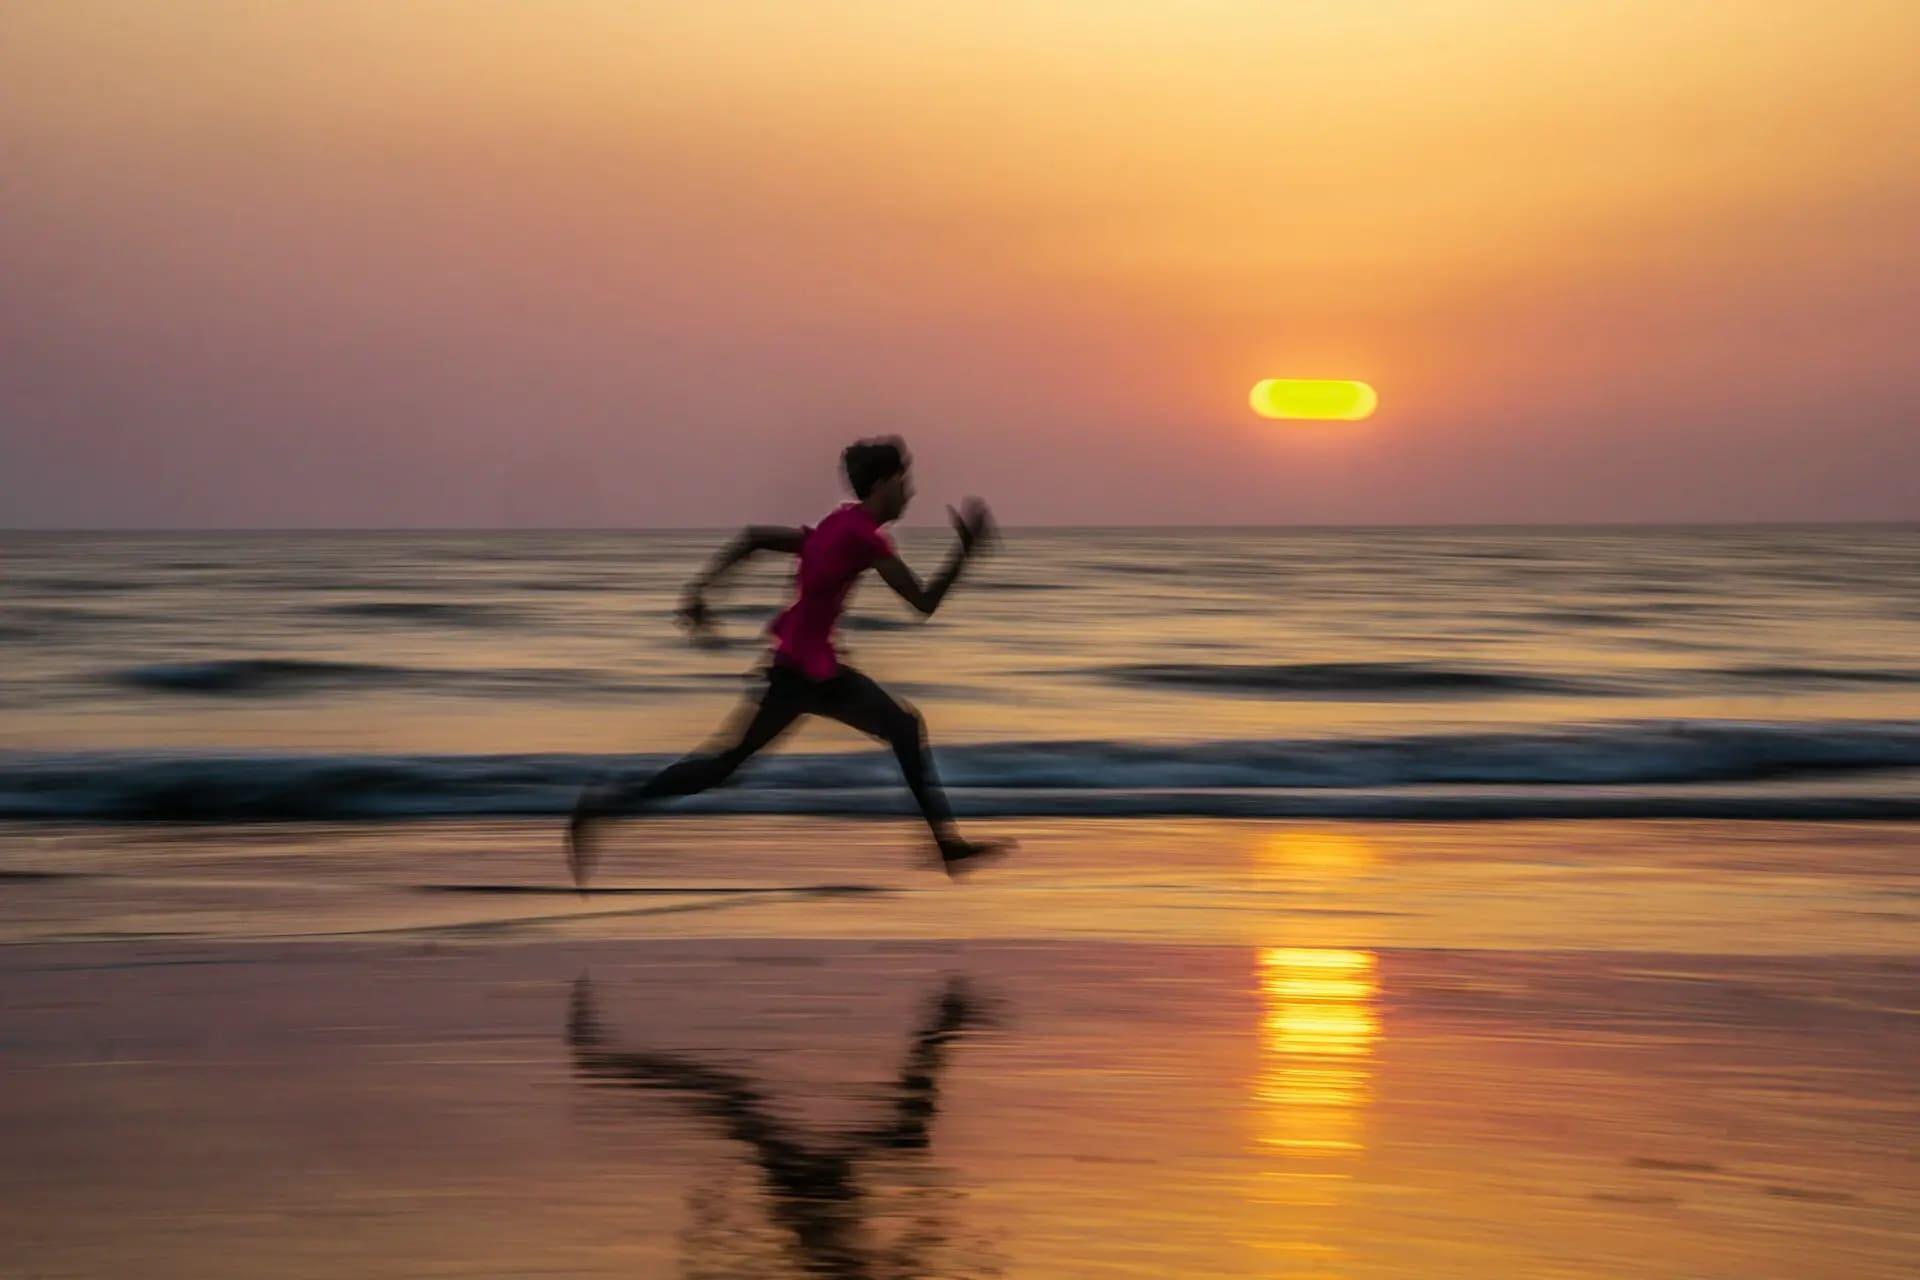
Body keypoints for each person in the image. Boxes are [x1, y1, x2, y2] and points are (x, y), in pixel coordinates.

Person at [567, 436, 1010, 886]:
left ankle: (605, 807)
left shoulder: (840, 525)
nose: (910, 492)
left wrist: (701, 590)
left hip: (806, 668)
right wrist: (964, 553)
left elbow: (754, 539)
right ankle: (603, 808)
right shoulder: (864, 537)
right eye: (904, 481)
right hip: (805, 673)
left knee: (732, 763)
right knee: (737, 762)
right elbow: (923, 603)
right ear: (881, 484)